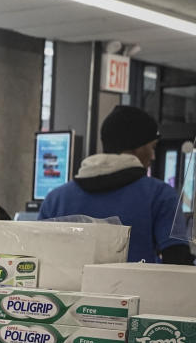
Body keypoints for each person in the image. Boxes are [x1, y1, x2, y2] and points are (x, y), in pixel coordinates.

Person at [38, 105, 194, 264]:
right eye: (152, 147)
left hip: (65, 289)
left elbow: (35, 259)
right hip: (136, 288)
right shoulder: (160, 195)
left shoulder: (55, 199)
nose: (153, 156)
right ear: (138, 147)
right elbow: (177, 260)